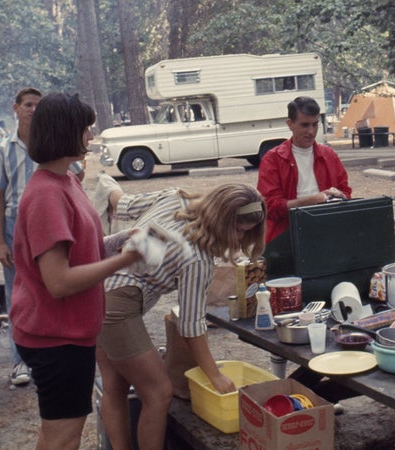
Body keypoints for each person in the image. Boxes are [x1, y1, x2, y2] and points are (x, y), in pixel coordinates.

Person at [9, 93, 143, 450]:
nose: (90, 138)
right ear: (65, 132)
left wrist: (119, 241)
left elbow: (81, 248)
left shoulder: (66, 181)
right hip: (55, 338)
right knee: (63, 437)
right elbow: (59, 282)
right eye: (85, 130)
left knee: (61, 431)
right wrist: (125, 260)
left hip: (69, 333)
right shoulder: (45, 196)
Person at [93, 175, 266, 450]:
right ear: (221, 219)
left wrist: (110, 188)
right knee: (159, 393)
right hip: (118, 305)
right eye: (239, 230)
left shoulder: (174, 197)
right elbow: (191, 324)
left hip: (94, 290)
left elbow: (124, 204)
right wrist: (215, 375)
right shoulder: (198, 257)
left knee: (114, 385)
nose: (240, 238)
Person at [0, 87, 84, 387]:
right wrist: (1, 240)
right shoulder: (4, 149)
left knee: (50, 286)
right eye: (27, 105)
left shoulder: (56, 143)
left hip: (49, 219)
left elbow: (76, 174)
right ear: (16, 109)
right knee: (18, 292)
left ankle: (49, 352)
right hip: (17, 222)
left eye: (38, 106)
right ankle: (19, 362)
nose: (32, 110)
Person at [257, 96, 351, 243]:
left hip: (328, 228)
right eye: (305, 125)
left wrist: (340, 196)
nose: (311, 131)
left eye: (315, 125)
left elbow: (346, 191)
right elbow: (269, 207)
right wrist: (312, 200)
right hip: (287, 234)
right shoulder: (273, 159)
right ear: (290, 124)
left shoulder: (329, 155)